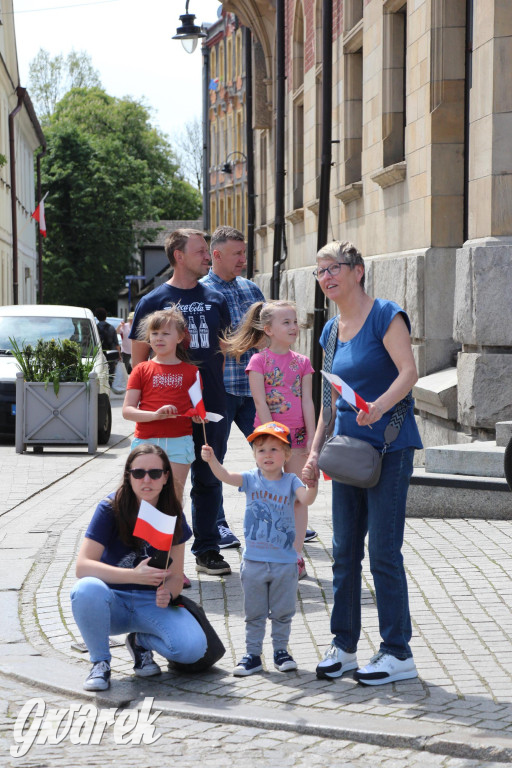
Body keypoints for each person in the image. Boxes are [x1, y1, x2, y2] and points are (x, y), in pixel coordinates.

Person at [302, 241, 423, 686]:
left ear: (358, 271)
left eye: (333, 268)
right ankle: (345, 645)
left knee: (383, 553)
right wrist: (315, 452)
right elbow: (329, 400)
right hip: (348, 454)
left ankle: (397, 651)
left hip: (390, 448)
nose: (326, 277)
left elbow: (409, 373)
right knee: (344, 552)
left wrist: (378, 405)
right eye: (319, 272)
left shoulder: (385, 315)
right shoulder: (330, 332)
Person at [129, 228, 232, 577]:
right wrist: (150, 408)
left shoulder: (217, 299)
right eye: (201, 251)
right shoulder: (152, 301)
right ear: (179, 256)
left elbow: (229, 348)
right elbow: (139, 362)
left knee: (208, 480)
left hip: (211, 407)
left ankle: (207, 550)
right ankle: (155, 558)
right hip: (165, 416)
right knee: (161, 487)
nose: (208, 256)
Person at [70, 444, 208, 692]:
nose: (147, 479)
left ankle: (140, 641)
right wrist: (133, 575)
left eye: (155, 473)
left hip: (151, 603)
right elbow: (83, 566)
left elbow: (176, 577)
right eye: (138, 473)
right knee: (86, 588)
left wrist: (171, 592)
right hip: (113, 603)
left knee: (193, 649)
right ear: (128, 475)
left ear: (166, 476)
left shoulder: (173, 514)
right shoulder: (110, 508)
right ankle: (100, 663)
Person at [201, 421, 317, 676]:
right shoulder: (251, 479)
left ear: (286, 455)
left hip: (285, 563)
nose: (267, 455)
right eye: (261, 449)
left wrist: (313, 483)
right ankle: (252, 655)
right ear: (254, 455)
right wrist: (211, 461)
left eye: (275, 449)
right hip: (253, 561)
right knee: (254, 613)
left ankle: (280, 652)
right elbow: (225, 477)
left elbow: (306, 499)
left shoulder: (291, 481)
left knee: (283, 612)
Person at [224, 300, 316, 580]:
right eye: (286, 322)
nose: (293, 327)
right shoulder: (258, 361)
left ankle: (296, 555)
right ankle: (271, 553)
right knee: (274, 499)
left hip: (299, 438)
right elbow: (260, 402)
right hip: (270, 439)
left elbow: (308, 402)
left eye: (294, 321)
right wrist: (273, 437)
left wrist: (312, 437)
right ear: (269, 329)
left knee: (298, 498)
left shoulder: (303, 363)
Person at [200, 225, 265, 550]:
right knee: (215, 461)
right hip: (219, 392)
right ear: (217, 255)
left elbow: (266, 335)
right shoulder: (201, 294)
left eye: (244, 252)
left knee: (273, 451)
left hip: (255, 390)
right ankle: (217, 526)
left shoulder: (252, 289)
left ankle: (277, 515)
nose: (243, 258)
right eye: (237, 253)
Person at [95, 307, 121, 385]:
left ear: (96, 317)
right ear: (105, 316)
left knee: (99, 371)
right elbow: (116, 343)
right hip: (111, 354)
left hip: (98, 354)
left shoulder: (95, 328)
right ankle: (109, 386)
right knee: (110, 372)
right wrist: (119, 355)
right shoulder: (111, 328)